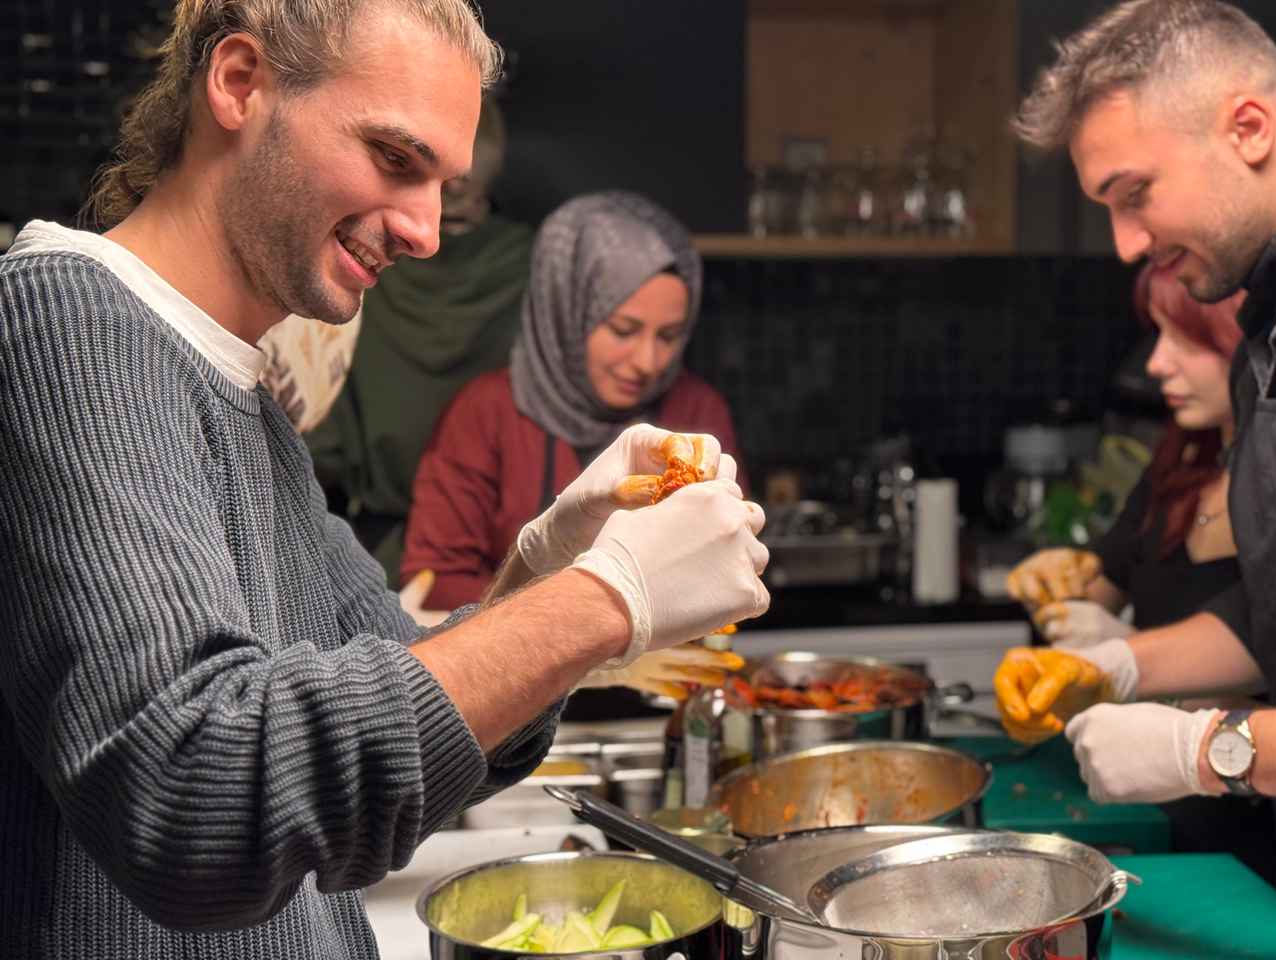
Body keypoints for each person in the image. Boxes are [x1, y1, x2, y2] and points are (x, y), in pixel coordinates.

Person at [0, 2, 768, 958]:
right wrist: (604, 600)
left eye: (442, 183)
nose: (426, 231)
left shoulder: (243, 400)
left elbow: (436, 730)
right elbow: (197, 797)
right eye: (397, 160)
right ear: (239, 84)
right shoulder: (70, 325)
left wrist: (544, 566)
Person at [994, 1, 1276, 954]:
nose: (1121, 242)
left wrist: (1205, 751)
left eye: (1133, 192)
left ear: (1248, 128)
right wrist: (1120, 666)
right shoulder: (1269, 331)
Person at [1008, 264, 1276, 881]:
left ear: (1258, 346)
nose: (1157, 364)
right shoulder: (1179, 464)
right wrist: (1061, 594)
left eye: (1189, 342)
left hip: (1267, 844)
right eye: (1157, 336)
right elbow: (1096, 591)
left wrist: (1135, 669)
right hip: (1163, 821)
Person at [401, 191, 742, 610]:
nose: (647, 362)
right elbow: (434, 581)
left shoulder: (695, 414)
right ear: (565, 313)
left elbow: (721, 568)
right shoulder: (485, 413)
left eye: (668, 336)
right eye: (623, 330)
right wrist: (582, 623)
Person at [305, 100, 535, 582]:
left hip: (390, 545)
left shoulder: (356, 258)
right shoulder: (534, 263)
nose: (440, 218)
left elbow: (324, 441)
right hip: (474, 554)